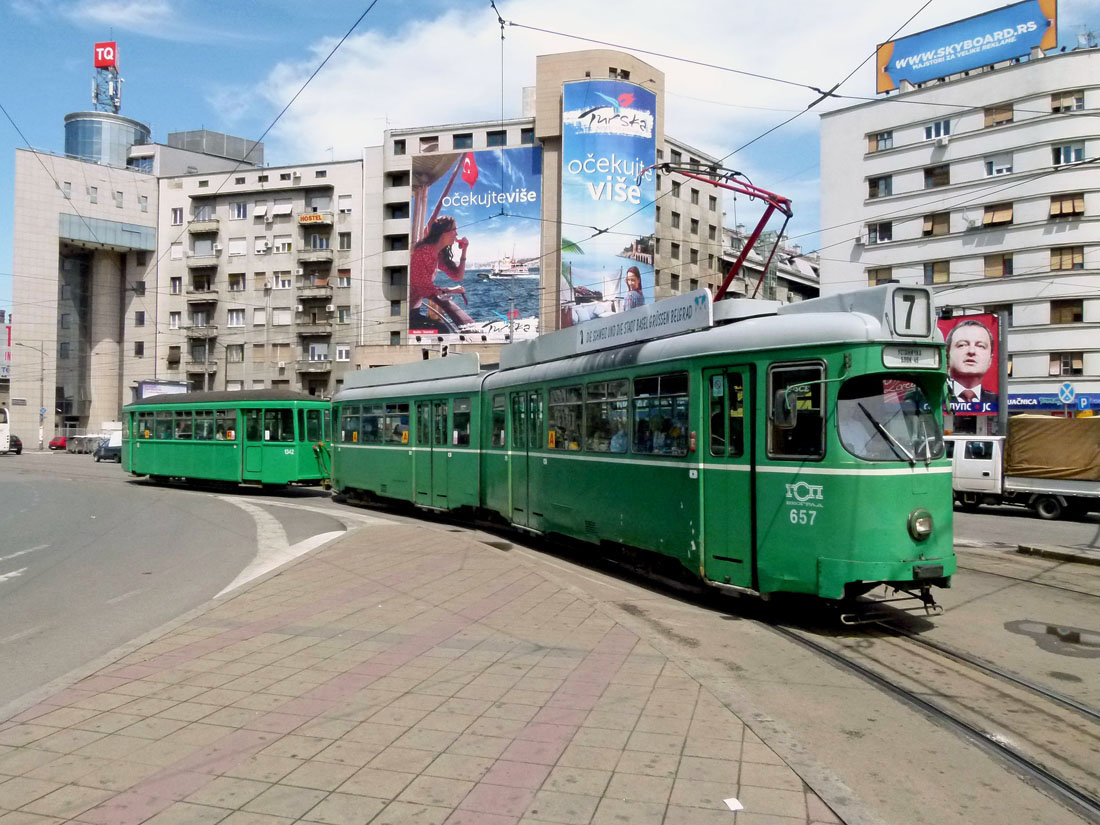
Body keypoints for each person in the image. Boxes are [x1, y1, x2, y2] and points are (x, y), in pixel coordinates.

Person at [409, 215, 468, 329]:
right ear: (443, 232)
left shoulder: (438, 254)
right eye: (454, 230)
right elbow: (425, 289)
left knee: (441, 329)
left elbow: (458, 276)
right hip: (404, 313)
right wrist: (451, 290)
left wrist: (464, 251)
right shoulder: (423, 252)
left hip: (414, 310)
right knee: (441, 330)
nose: (456, 234)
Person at [946, 319, 996, 408]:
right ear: (947, 355)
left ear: (990, 359)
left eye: (980, 346)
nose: (971, 351)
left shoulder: (998, 403)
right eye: (962, 345)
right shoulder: (925, 399)